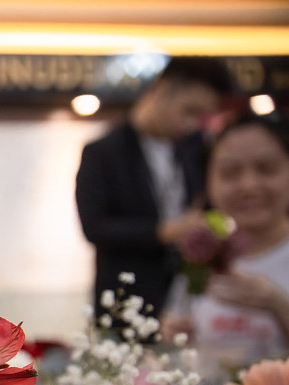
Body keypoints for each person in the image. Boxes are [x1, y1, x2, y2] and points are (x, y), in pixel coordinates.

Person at [76, 56, 234, 320]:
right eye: (190, 111)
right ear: (161, 90)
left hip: (189, 300)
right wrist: (165, 232)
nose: (193, 124)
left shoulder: (196, 149)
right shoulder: (104, 152)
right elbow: (95, 227)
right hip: (126, 301)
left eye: (202, 117)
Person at [162, 112, 289, 384]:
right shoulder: (202, 255)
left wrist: (280, 306)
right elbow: (181, 340)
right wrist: (174, 334)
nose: (249, 185)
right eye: (230, 173)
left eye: (266, 169)